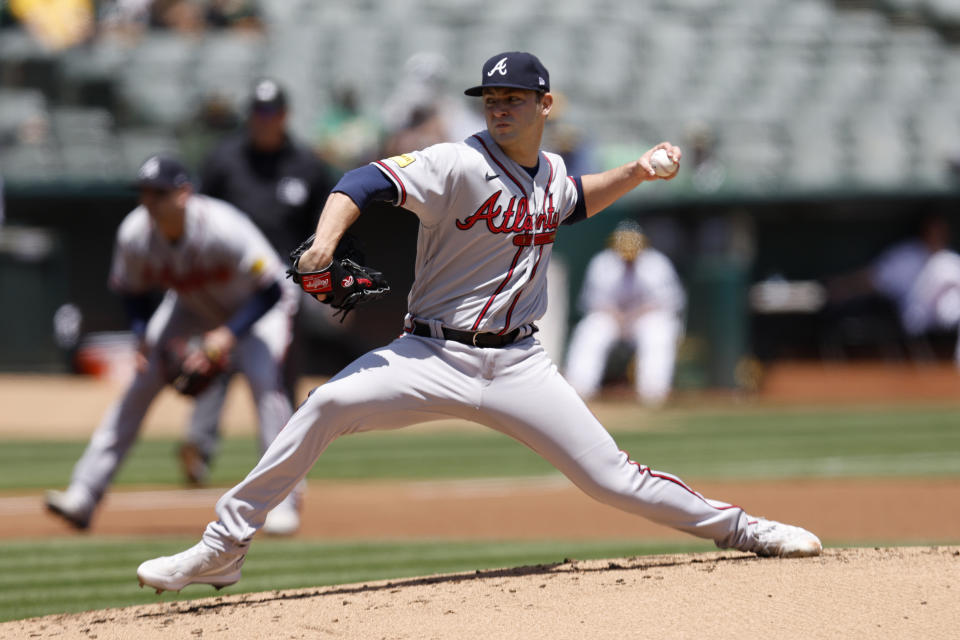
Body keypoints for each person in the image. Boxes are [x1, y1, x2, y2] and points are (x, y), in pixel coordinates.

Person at [136, 51, 821, 594]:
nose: (499, 108)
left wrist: (638, 171)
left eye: (513, 99)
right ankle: (222, 549)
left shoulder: (549, 172)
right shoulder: (456, 161)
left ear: (544, 104)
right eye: (491, 99)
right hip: (429, 356)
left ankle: (742, 529)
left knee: (612, 478)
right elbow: (362, 183)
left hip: (519, 366)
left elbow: (574, 200)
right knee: (325, 405)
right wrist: (324, 241)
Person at [45, 154, 301, 535]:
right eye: (144, 193)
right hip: (191, 305)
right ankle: (83, 494)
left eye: (159, 192)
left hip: (258, 309)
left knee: (266, 385)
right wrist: (142, 337)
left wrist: (227, 336)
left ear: (184, 193)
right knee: (140, 385)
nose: (150, 200)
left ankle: (284, 502)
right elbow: (130, 292)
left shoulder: (222, 226)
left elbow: (270, 290)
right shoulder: (135, 233)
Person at [178, 78, 335, 491]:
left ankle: (280, 459)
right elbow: (196, 217)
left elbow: (325, 228)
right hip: (227, 282)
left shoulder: (306, 165)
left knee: (280, 374)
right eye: (258, 112)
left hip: (283, 284)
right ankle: (198, 446)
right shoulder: (224, 159)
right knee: (216, 359)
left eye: (272, 112)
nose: (264, 120)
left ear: (284, 115)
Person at [564, 220, 686, 407]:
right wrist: (618, 317)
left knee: (658, 330)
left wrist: (634, 315)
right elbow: (593, 303)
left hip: (644, 319)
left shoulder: (656, 263)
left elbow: (669, 303)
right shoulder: (603, 263)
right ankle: (580, 388)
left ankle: (653, 392)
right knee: (592, 328)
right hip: (613, 319)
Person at [826, 212, 960, 366]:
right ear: (924, 231)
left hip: (949, 311)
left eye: (942, 231)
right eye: (934, 230)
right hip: (916, 313)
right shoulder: (905, 256)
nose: (938, 235)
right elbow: (871, 279)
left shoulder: (950, 258)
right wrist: (841, 286)